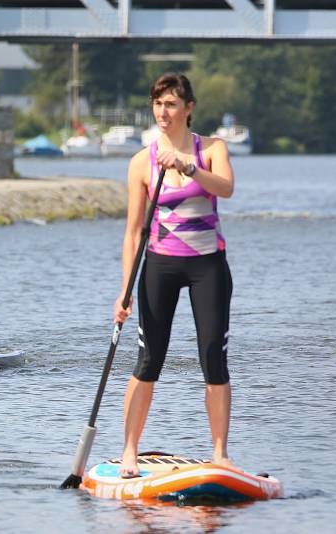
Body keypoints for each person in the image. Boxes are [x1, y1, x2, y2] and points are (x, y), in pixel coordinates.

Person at [114, 73, 235, 477]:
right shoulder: (141, 162)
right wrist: (124, 292)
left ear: (188, 108)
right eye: (157, 103)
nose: (162, 112)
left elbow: (225, 188)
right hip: (160, 266)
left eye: (170, 104)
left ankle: (219, 454)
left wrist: (188, 166)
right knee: (148, 360)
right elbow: (133, 232)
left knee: (213, 358)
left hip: (208, 266)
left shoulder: (212, 149)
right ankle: (129, 452)